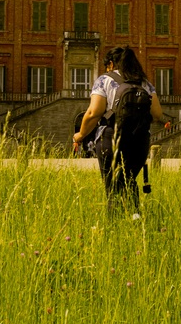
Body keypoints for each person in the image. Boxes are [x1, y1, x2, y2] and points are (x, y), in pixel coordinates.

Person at [72, 46, 169, 213]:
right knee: (129, 182)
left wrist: (79, 135)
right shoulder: (145, 83)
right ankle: (135, 220)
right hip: (139, 141)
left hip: (111, 139)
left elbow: (93, 113)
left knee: (113, 189)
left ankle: (115, 227)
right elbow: (157, 113)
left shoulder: (104, 80)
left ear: (111, 64)